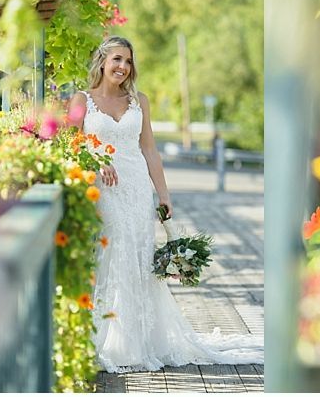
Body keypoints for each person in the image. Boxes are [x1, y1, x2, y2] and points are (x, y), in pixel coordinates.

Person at [68, 36, 262, 373]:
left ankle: (137, 340)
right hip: (102, 188)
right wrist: (94, 161)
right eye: (116, 59)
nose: (122, 67)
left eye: (128, 62)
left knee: (139, 255)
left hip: (137, 188)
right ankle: (103, 337)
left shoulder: (138, 101)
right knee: (112, 251)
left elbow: (150, 150)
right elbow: (68, 143)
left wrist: (164, 194)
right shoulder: (82, 100)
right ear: (101, 61)